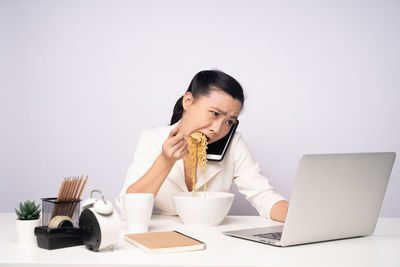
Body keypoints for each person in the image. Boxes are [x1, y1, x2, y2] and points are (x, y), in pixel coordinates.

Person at [117, 70, 289, 222]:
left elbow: (264, 197)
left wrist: (301, 218)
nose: (217, 129)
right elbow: (127, 211)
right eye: (214, 113)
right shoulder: (151, 140)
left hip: (211, 240)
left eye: (229, 122)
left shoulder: (233, 144)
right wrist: (165, 160)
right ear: (188, 101)